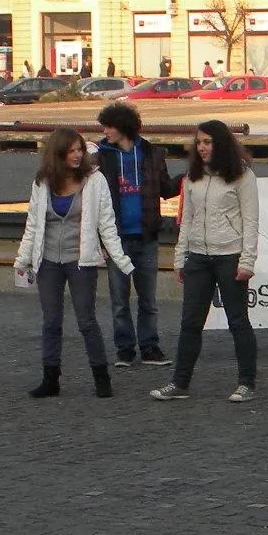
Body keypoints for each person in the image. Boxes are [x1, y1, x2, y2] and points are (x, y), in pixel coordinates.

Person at [13, 126, 134, 401]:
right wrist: (23, 259)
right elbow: (33, 225)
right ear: (58, 154)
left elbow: (107, 224)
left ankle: (101, 378)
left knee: (86, 320)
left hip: (81, 260)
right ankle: (50, 379)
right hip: (48, 261)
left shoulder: (95, 180)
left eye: (80, 149)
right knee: (51, 321)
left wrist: (121, 260)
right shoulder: (42, 182)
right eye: (71, 151)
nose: (78, 155)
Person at [153, 120, 259, 403]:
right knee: (190, 322)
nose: (201, 147)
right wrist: (180, 257)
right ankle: (180, 383)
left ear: (221, 144)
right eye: (199, 142)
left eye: (207, 142)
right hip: (198, 257)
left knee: (238, 321)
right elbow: (186, 219)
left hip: (229, 256)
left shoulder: (242, 176)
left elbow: (251, 221)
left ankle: (246, 383)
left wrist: (247, 260)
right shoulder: (193, 176)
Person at [96, 102, 178, 369]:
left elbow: (165, 188)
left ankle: (149, 347)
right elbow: (93, 200)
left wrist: (188, 178)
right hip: (115, 238)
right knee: (119, 300)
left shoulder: (151, 153)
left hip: (146, 235)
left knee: (148, 300)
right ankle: (125, 349)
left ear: (123, 126)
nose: (105, 131)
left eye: (109, 126)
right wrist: (99, 240)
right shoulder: (100, 157)